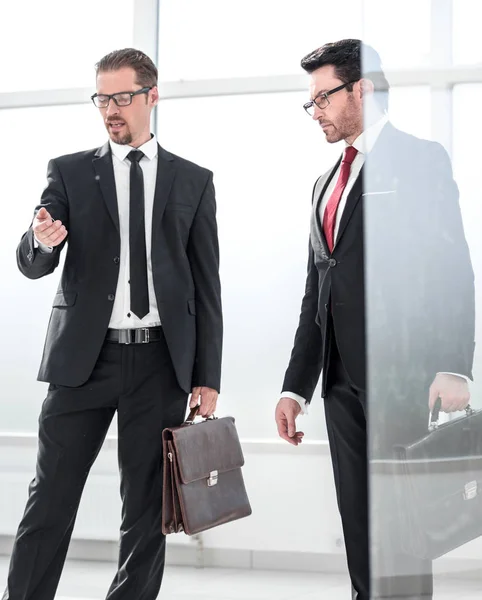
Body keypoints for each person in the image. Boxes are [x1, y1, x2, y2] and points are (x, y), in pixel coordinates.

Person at [3, 48, 222, 600]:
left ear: (152, 96)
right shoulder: (71, 171)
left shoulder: (193, 181)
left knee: (147, 511)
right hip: (84, 360)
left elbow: (206, 286)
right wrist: (39, 240)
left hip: (160, 362)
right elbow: (33, 259)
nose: (110, 110)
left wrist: (207, 375)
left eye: (122, 97)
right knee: (50, 498)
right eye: (102, 98)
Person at [275, 39, 474, 599]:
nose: (315, 111)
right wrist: (297, 386)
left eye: (322, 97)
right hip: (341, 386)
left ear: (360, 89)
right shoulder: (324, 186)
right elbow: (318, 290)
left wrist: (455, 368)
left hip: (405, 381)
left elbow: (451, 268)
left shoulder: (420, 159)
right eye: (310, 101)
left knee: (406, 532)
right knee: (359, 525)